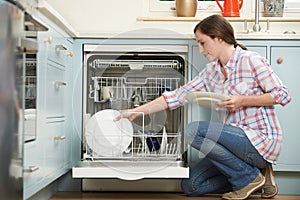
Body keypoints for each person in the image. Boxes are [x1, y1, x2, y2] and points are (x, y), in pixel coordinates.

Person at [115, 14, 291, 200]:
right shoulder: (211, 72)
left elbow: (283, 95)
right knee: (191, 185)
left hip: (259, 141)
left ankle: (248, 178)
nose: (200, 50)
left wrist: (242, 100)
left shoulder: (250, 60)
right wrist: (135, 111)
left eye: (202, 43)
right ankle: (258, 177)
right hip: (231, 146)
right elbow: (176, 96)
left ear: (219, 38)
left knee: (193, 131)